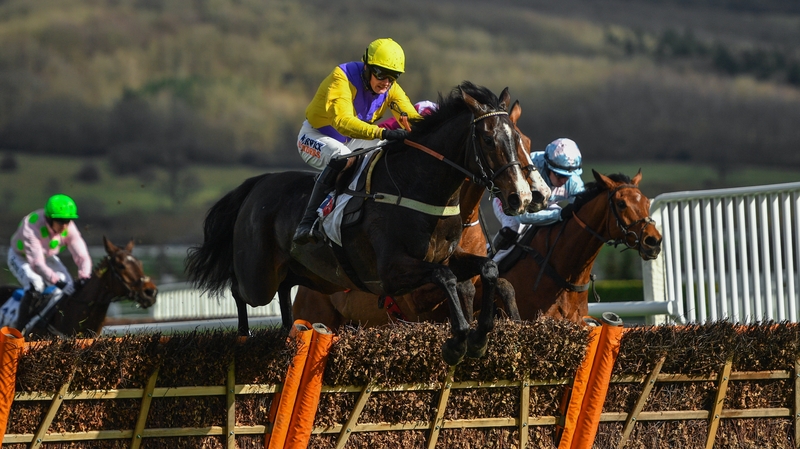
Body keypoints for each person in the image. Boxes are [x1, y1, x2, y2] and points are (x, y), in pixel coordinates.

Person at [293, 37, 423, 245]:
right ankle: (306, 223)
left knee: (388, 152)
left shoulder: (391, 89)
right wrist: (383, 133)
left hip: (351, 139)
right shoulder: (341, 78)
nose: (386, 82)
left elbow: (412, 118)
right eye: (381, 74)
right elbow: (343, 122)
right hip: (315, 136)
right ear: (367, 66)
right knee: (342, 157)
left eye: (393, 76)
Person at [492, 137, 586, 256]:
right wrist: (560, 214)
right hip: (512, 202)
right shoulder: (530, 167)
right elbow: (524, 217)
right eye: (559, 175)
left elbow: (582, 210)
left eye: (567, 177)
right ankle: (490, 258)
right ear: (547, 167)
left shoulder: (574, 182)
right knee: (514, 228)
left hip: (545, 205)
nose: (563, 180)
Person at [7, 194, 92, 296]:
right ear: (49, 218)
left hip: (45, 257)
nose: (64, 226)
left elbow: (82, 256)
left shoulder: (70, 228)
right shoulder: (31, 227)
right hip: (20, 257)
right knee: (36, 284)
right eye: (60, 221)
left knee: (68, 284)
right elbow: (37, 264)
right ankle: (23, 312)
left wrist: (84, 276)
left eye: (67, 221)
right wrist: (57, 282)